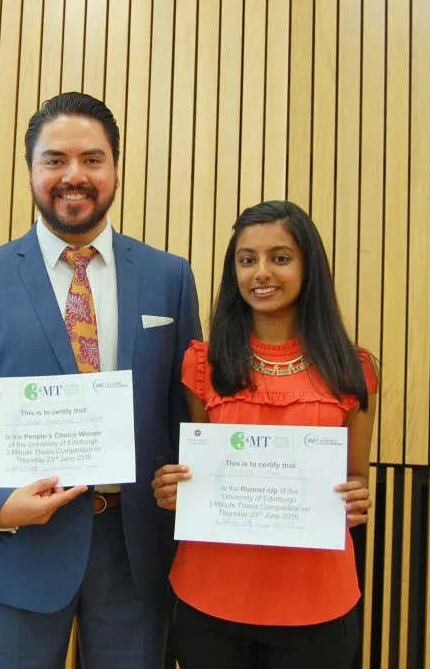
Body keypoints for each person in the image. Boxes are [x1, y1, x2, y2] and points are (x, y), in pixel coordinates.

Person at [0, 92, 202, 669]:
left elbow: (188, 410)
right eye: (55, 160)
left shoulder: (169, 277)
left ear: (116, 169)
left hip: (135, 552)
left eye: (92, 159)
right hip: (18, 546)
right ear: (31, 170)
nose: (74, 176)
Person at [151, 200, 378, 668]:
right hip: (210, 597)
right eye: (246, 259)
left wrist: (358, 498)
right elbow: (195, 469)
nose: (261, 273)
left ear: (308, 266)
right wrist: (173, 486)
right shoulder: (202, 364)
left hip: (316, 603)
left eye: (280, 257)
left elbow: (356, 477)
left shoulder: (353, 370)